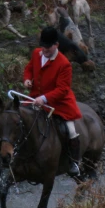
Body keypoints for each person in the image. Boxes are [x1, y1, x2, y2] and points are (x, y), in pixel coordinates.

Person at [23, 26, 83, 177]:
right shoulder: (37, 53)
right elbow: (28, 69)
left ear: (56, 45)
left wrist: (44, 99)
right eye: (42, 46)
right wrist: (27, 80)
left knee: (71, 130)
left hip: (58, 103)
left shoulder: (64, 64)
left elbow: (62, 89)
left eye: (48, 47)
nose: (44, 50)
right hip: (35, 97)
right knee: (18, 117)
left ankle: (74, 162)